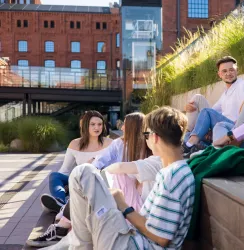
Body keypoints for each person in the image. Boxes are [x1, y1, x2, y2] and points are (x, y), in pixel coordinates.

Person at [45, 106, 194, 250]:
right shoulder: (174, 171)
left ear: (155, 137)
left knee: (83, 173)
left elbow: (161, 237)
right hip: (133, 236)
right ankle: (74, 243)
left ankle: (73, 241)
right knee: (86, 178)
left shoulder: (173, 176)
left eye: (146, 135)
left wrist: (123, 206)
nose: (145, 139)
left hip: (134, 244)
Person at [27, 113, 162, 248]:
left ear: (133, 127)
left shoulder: (147, 150)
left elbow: (125, 171)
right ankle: (63, 213)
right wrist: (92, 170)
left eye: (125, 125)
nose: (122, 128)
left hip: (127, 197)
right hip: (113, 188)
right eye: (93, 124)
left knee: (95, 184)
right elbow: (100, 160)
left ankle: (63, 217)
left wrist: (98, 172)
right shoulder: (118, 143)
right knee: (77, 179)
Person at [40, 111, 112, 213]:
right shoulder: (74, 144)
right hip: (79, 178)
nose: (97, 127)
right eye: (93, 124)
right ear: (86, 126)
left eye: (99, 124)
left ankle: (63, 207)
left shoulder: (109, 143)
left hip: (100, 180)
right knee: (55, 176)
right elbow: (65, 170)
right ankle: (60, 202)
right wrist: (65, 184)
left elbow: (116, 165)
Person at [183, 56, 244, 157]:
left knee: (205, 114)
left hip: (233, 128)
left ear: (237, 70)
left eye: (231, 70)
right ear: (219, 74)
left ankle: (189, 144)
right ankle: (197, 145)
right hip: (220, 129)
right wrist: (189, 109)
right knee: (196, 100)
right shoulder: (225, 93)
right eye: (224, 71)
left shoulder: (242, 86)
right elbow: (212, 112)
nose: (228, 73)